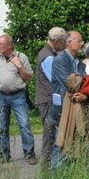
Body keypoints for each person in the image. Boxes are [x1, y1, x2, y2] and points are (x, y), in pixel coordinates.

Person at [0, 34, 37, 164]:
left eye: (0, 44)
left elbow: (28, 78)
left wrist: (19, 66)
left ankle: (29, 153)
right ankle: (4, 154)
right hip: (1, 96)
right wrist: (1, 85)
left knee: (24, 125)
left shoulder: (21, 57)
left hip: (18, 96)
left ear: (9, 45)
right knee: (2, 127)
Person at [49, 31, 87, 168]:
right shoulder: (60, 61)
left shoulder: (79, 63)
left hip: (76, 108)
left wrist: (85, 94)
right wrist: (85, 83)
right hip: (62, 110)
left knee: (75, 144)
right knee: (61, 143)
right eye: (79, 41)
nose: (82, 44)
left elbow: (86, 84)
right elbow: (71, 83)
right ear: (69, 43)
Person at [35, 26, 66, 166]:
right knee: (50, 134)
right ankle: (46, 167)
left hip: (47, 99)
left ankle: (48, 166)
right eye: (63, 41)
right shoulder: (47, 57)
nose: (64, 44)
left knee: (51, 133)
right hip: (47, 100)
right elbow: (55, 78)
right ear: (58, 41)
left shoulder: (48, 53)